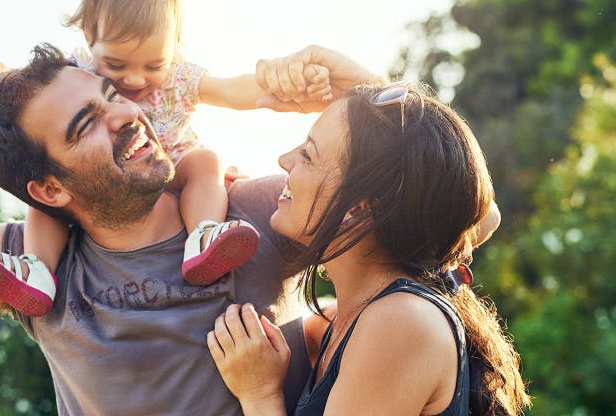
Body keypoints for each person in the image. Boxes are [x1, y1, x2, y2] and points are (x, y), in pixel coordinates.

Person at [0, 23, 498, 414]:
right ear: (49, 189)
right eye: (87, 124)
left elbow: (455, 209)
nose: (126, 114)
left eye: (111, 94)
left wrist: (368, 89)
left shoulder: (259, 214)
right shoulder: (35, 269)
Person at [0, 0, 333, 317]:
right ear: (89, 36)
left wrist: (282, 88)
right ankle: (37, 271)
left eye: (154, 64)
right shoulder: (77, 72)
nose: (135, 80)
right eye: (116, 65)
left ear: (175, 45)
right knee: (48, 200)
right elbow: (12, 83)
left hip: (172, 166)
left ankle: (204, 235)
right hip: (104, 182)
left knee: (205, 161)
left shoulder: (179, 77)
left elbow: (231, 90)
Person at [206, 82, 530, 414]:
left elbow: (479, 213)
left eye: (308, 155)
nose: (284, 160)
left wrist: (260, 395)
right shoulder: (351, 320)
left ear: (358, 209)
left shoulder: (400, 324)